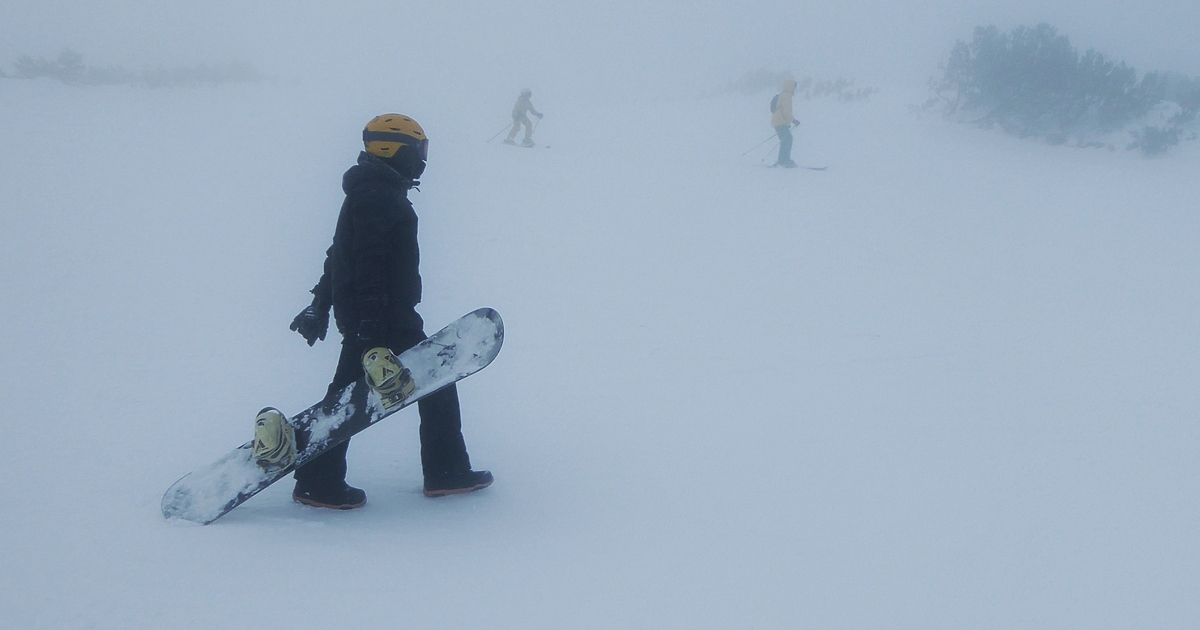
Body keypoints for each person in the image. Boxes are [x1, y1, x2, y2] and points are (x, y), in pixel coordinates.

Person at [288, 113, 493, 509]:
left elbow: (337, 255)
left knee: (404, 386)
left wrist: (320, 304)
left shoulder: (374, 192)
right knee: (379, 391)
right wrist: (367, 330)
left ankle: (323, 477)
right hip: (383, 320)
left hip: (381, 318)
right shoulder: (376, 197)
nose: (423, 159)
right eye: (419, 149)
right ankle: (322, 479)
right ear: (394, 148)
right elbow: (364, 262)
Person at [770, 79, 800, 168]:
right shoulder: (786, 96)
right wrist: (793, 120)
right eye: (794, 87)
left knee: (786, 139)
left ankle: (782, 159)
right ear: (790, 86)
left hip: (779, 121)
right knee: (787, 139)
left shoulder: (784, 95)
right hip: (780, 121)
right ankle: (784, 160)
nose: (795, 89)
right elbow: (786, 111)